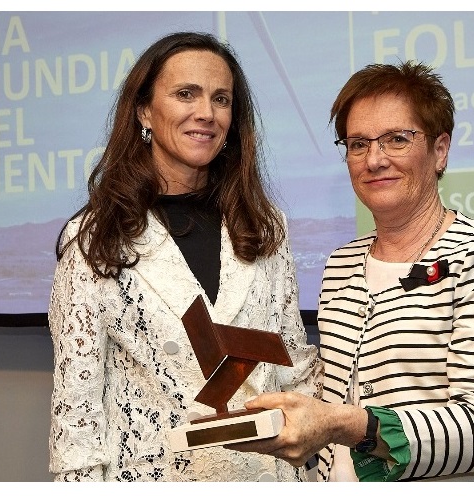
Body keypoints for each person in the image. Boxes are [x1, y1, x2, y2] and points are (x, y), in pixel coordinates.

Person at [229, 61, 474, 482]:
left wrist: (342, 424)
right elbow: (333, 393)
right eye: (358, 144)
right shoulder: (341, 264)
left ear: (440, 150)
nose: (374, 160)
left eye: (397, 139)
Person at [47, 31, 321, 482]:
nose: (206, 113)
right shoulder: (95, 239)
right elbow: (76, 419)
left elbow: (292, 367)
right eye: (185, 94)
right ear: (144, 111)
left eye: (221, 99)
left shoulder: (264, 225)